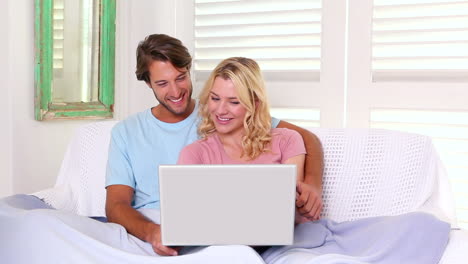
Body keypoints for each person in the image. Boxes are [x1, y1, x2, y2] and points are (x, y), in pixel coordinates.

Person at [105, 34, 324, 257]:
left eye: (181, 78)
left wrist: (312, 186)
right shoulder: (127, 132)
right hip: (149, 227)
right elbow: (115, 205)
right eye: (162, 83)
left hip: (222, 233)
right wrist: (153, 232)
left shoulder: (221, 111)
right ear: (148, 82)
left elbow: (305, 138)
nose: (175, 91)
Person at [177, 57, 311, 226]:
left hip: (281, 242)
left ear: (254, 103)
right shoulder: (194, 154)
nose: (220, 110)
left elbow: (291, 213)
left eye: (233, 102)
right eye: (215, 98)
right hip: (220, 244)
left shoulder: (288, 141)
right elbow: (188, 218)